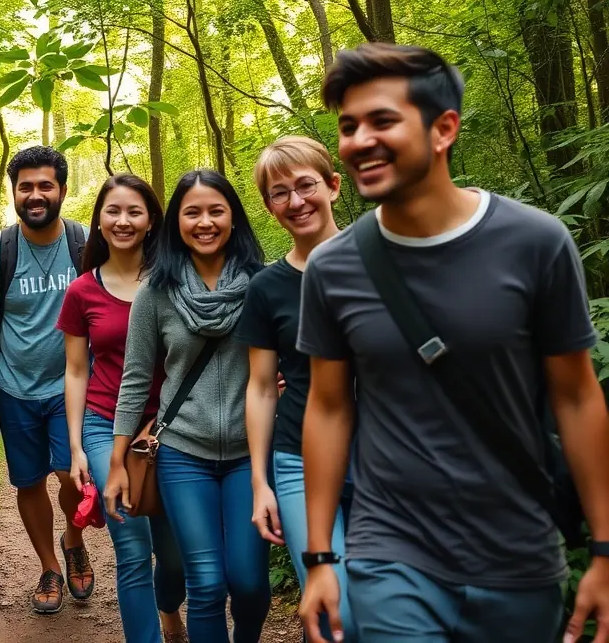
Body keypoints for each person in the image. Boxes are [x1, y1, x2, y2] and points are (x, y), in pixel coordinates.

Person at [297, 43, 609, 643]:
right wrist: (320, 558)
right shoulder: (334, 268)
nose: (359, 140)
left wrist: (605, 545)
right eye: (347, 126)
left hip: (518, 552)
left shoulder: (535, 242)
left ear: (444, 130)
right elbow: (330, 406)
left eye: (382, 121)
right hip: (391, 547)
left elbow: (576, 396)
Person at [106, 169, 274, 643]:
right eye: (192, 212)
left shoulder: (264, 285)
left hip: (249, 454)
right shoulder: (154, 294)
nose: (205, 222)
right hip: (183, 454)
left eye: (216, 210)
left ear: (234, 218)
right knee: (205, 582)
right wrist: (117, 462)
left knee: (248, 583)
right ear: (176, 222)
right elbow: (135, 382)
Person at [57, 174, 188, 643]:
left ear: (152, 220)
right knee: (133, 550)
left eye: (134, 211)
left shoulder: (178, 280)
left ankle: (168, 607)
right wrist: (75, 445)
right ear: (99, 220)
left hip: (175, 428)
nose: (123, 220)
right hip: (103, 427)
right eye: (113, 211)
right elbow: (75, 370)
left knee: (174, 556)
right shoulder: (82, 292)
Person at [236, 136, 356, 643]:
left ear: (333, 185)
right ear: (269, 206)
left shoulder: (379, 259)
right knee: (333, 613)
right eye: (279, 193)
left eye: (306, 185)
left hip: (389, 455)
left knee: (386, 608)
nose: (296, 201)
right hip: (297, 460)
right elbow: (262, 388)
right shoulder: (266, 287)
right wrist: (260, 481)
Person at [0, 146, 95, 614]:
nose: (35, 194)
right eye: (26, 187)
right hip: (14, 387)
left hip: (72, 386)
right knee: (28, 482)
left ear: (62, 189)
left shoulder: (85, 245)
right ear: (14, 193)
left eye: (45, 185)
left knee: (72, 475)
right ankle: (50, 567)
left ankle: (73, 537)